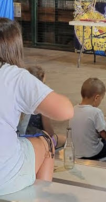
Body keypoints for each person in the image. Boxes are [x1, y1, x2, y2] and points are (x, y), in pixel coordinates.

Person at [0, 18, 74, 195]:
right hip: (4, 179)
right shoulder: (14, 76)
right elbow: (66, 110)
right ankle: (38, 196)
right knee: (47, 140)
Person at [18, 65, 66, 149]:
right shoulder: (41, 102)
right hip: (35, 139)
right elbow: (50, 132)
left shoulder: (19, 96)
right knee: (63, 139)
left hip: (19, 137)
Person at [69, 77, 106, 160]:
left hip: (76, 152)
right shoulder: (96, 112)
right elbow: (104, 135)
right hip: (92, 153)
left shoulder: (73, 109)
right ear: (97, 98)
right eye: (102, 98)